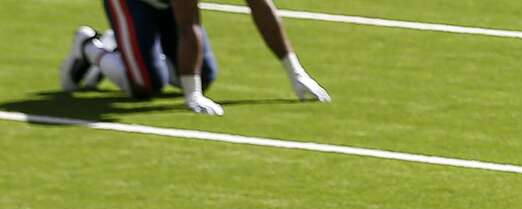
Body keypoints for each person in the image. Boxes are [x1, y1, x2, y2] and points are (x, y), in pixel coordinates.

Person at [58, 0, 329, 116]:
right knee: (146, 85)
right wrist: (192, 96)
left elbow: (261, 6)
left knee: (204, 74)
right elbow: (189, 26)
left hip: (170, 6)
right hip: (133, 2)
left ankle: (126, 49)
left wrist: (296, 72)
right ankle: (90, 47)